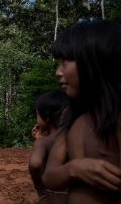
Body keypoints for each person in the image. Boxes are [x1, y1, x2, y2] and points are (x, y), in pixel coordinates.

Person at [42, 20, 121, 203]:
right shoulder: (71, 120)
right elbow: (49, 177)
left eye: (65, 62)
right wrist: (75, 168)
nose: (58, 72)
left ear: (95, 62)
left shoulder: (115, 118)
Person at [29, 90, 69, 204]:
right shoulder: (74, 138)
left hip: (51, 198)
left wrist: (39, 187)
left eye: (37, 114)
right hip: (74, 196)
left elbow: (35, 163)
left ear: (46, 117)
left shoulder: (43, 142)